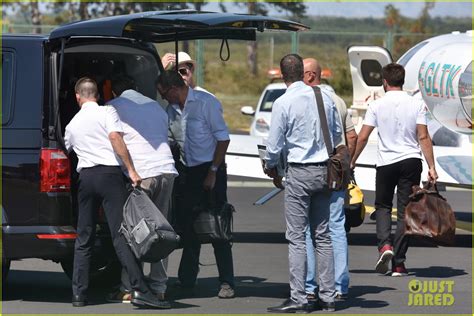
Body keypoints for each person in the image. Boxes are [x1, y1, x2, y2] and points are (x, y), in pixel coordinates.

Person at [64, 77, 169, 309]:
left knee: (84, 238)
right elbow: (115, 138)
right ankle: (140, 289)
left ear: (77, 97)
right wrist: (131, 170)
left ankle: (79, 295)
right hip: (110, 177)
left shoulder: (72, 124)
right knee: (121, 235)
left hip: (86, 179)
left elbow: (67, 149)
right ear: (98, 95)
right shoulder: (107, 112)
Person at [265, 54, 341, 313]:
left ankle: (299, 297)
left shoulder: (283, 102)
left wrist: (270, 165)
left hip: (299, 172)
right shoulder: (325, 98)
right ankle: (329, 296)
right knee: (323, 236)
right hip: (325, 171)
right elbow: (338, 136)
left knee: (297, 238)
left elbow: (274, 146)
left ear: (283, 75)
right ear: (302, 73)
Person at [351, 63, 438, 277]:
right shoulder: (416, 104)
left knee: (382, 206)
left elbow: (362, 137)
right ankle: (399, 264)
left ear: (384, 82)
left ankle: (385, 246)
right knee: (405, 212)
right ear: (402, 80)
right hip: (411, 161)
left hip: (386, 162)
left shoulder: (376, 105)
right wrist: (432, 166)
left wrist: (352, 160)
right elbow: (423, 137)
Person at [156, 70, 236, 299]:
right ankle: (187, 279)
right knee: (187, 224)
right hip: (187, 171)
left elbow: (223, 138)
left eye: (164, 93)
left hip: (211, 168)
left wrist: (212, 172)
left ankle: (227, 282)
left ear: (173, 88)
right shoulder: (170, 110)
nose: (163, 98)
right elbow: (171, 140)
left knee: (218, 226)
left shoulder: (205, 103)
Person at [105, 75, 178, 305]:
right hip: (166, 170)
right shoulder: (155, 105)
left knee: (135, 230)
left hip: (142, 174)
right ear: (135, 87)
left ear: (115, 92)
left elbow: (112, 140)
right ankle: (159, 287)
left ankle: (130, 287)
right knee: (162, 230)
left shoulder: (112, 107)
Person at [302, 58, 357, 300]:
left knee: (308, 229)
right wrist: (347, 162)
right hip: (337, 170)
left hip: (310, 169)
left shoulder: (301, 100)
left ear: (310, 76)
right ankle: (340, 284)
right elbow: (352, 136)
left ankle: (311, 285)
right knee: (336, 226)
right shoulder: (339, 100)